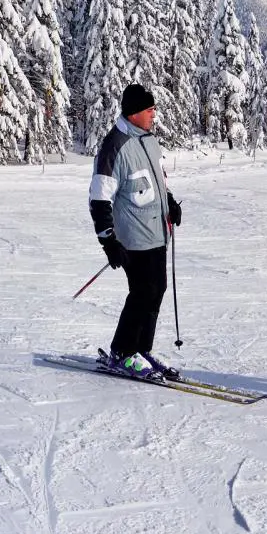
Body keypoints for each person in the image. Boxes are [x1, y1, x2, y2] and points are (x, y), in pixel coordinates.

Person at [88, 85, 183, 380]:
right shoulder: (114, 146)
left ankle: (141, 349)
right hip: (132, 238)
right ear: (134, 113)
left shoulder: (149, 140)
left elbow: (157, 181)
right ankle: (123, 351)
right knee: (142, 293)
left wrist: (170, 202)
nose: (154, 114)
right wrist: (108, 240)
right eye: (149, 110)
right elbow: (99, 198)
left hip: (157, 232)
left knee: (157, 290)